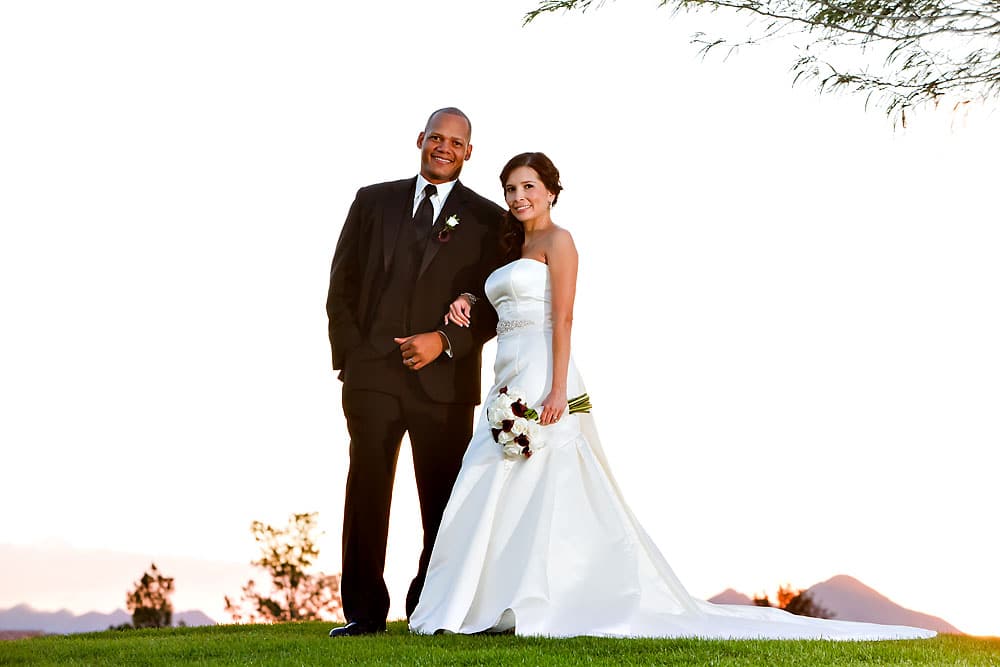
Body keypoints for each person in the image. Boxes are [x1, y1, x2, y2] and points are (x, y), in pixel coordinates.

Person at [408, 152, 936, 640]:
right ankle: (488, 600)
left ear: (550, 191)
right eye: (509, 188)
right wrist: (467, 298)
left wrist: (559, 388)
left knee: (547, 483)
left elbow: (564, 317)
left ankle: (549, 596)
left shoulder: (560, 241)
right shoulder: (511, 247)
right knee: (495, 478)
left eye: (528, 186)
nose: (517, 196)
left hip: (545, 369)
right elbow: (498, 297)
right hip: (505, 370)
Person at [325, 108, 506, 637]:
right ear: (420, 140)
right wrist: (352, 363)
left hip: (444, 385)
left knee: (443, 502)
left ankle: (430, 609)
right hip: (372, 379)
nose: (444, 147)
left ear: (468, 151)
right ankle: (362, 613)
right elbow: (341, 286)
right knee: (366, 494)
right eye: (436, 137)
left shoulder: (490, 219)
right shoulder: (372, 201)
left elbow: (498, 304)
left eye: (456, 141)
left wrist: (445, 341)